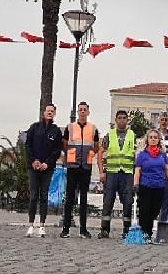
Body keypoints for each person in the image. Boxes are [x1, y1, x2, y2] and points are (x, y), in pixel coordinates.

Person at [61, 101, 99, 239]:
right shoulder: (70, 127)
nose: (82, 112)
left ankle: (83, 229)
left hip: (86, 166)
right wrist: (70, 154)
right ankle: (65, 229)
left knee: (84, 199)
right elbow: (64, 144)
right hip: (73, 166)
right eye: (80, 110)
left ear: (88, 112)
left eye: (84, 110)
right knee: (69, 198)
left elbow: (96, 146)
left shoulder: (93, 128)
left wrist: (91, 154)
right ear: (78, 112)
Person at [25, 103, 63, 237]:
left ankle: (42, 225)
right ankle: (30, 225)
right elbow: (28, 145)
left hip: (47, 168)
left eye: (52, 111)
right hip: (33, 167)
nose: (50, 113)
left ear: (54, 114)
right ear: (44, 112)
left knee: (44, 196)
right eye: (48, 111)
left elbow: (57, 150)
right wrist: (34, 161)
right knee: (34, 195)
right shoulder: (34, 127)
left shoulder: (56, 131)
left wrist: (47, 163)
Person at [97, 110, 136, 239]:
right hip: (112, 173)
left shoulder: (132, 135)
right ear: (116, 120)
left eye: (124, 118)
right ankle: (104, 229)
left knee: (128, 201)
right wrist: (102, 171)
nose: (122, 120)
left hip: (127, 173)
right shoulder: (110, 135)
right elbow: (100, 152)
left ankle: (126, 229)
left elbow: (137, 155)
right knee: (108, 201)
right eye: (119, 118)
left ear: (127, 120)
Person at [133, 129, 168, 243]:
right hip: (146, 186)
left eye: (155, 137)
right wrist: (135, 184)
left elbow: (166, 168)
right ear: (147, 140)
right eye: (151, 137)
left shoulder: (162, 155)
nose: (153, 139)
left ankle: (147, 232)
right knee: (145, 211)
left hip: (159, 186)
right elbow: (137, 170)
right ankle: (145, 234)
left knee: (154, 211)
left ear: (158, 140)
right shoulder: (142, 155)